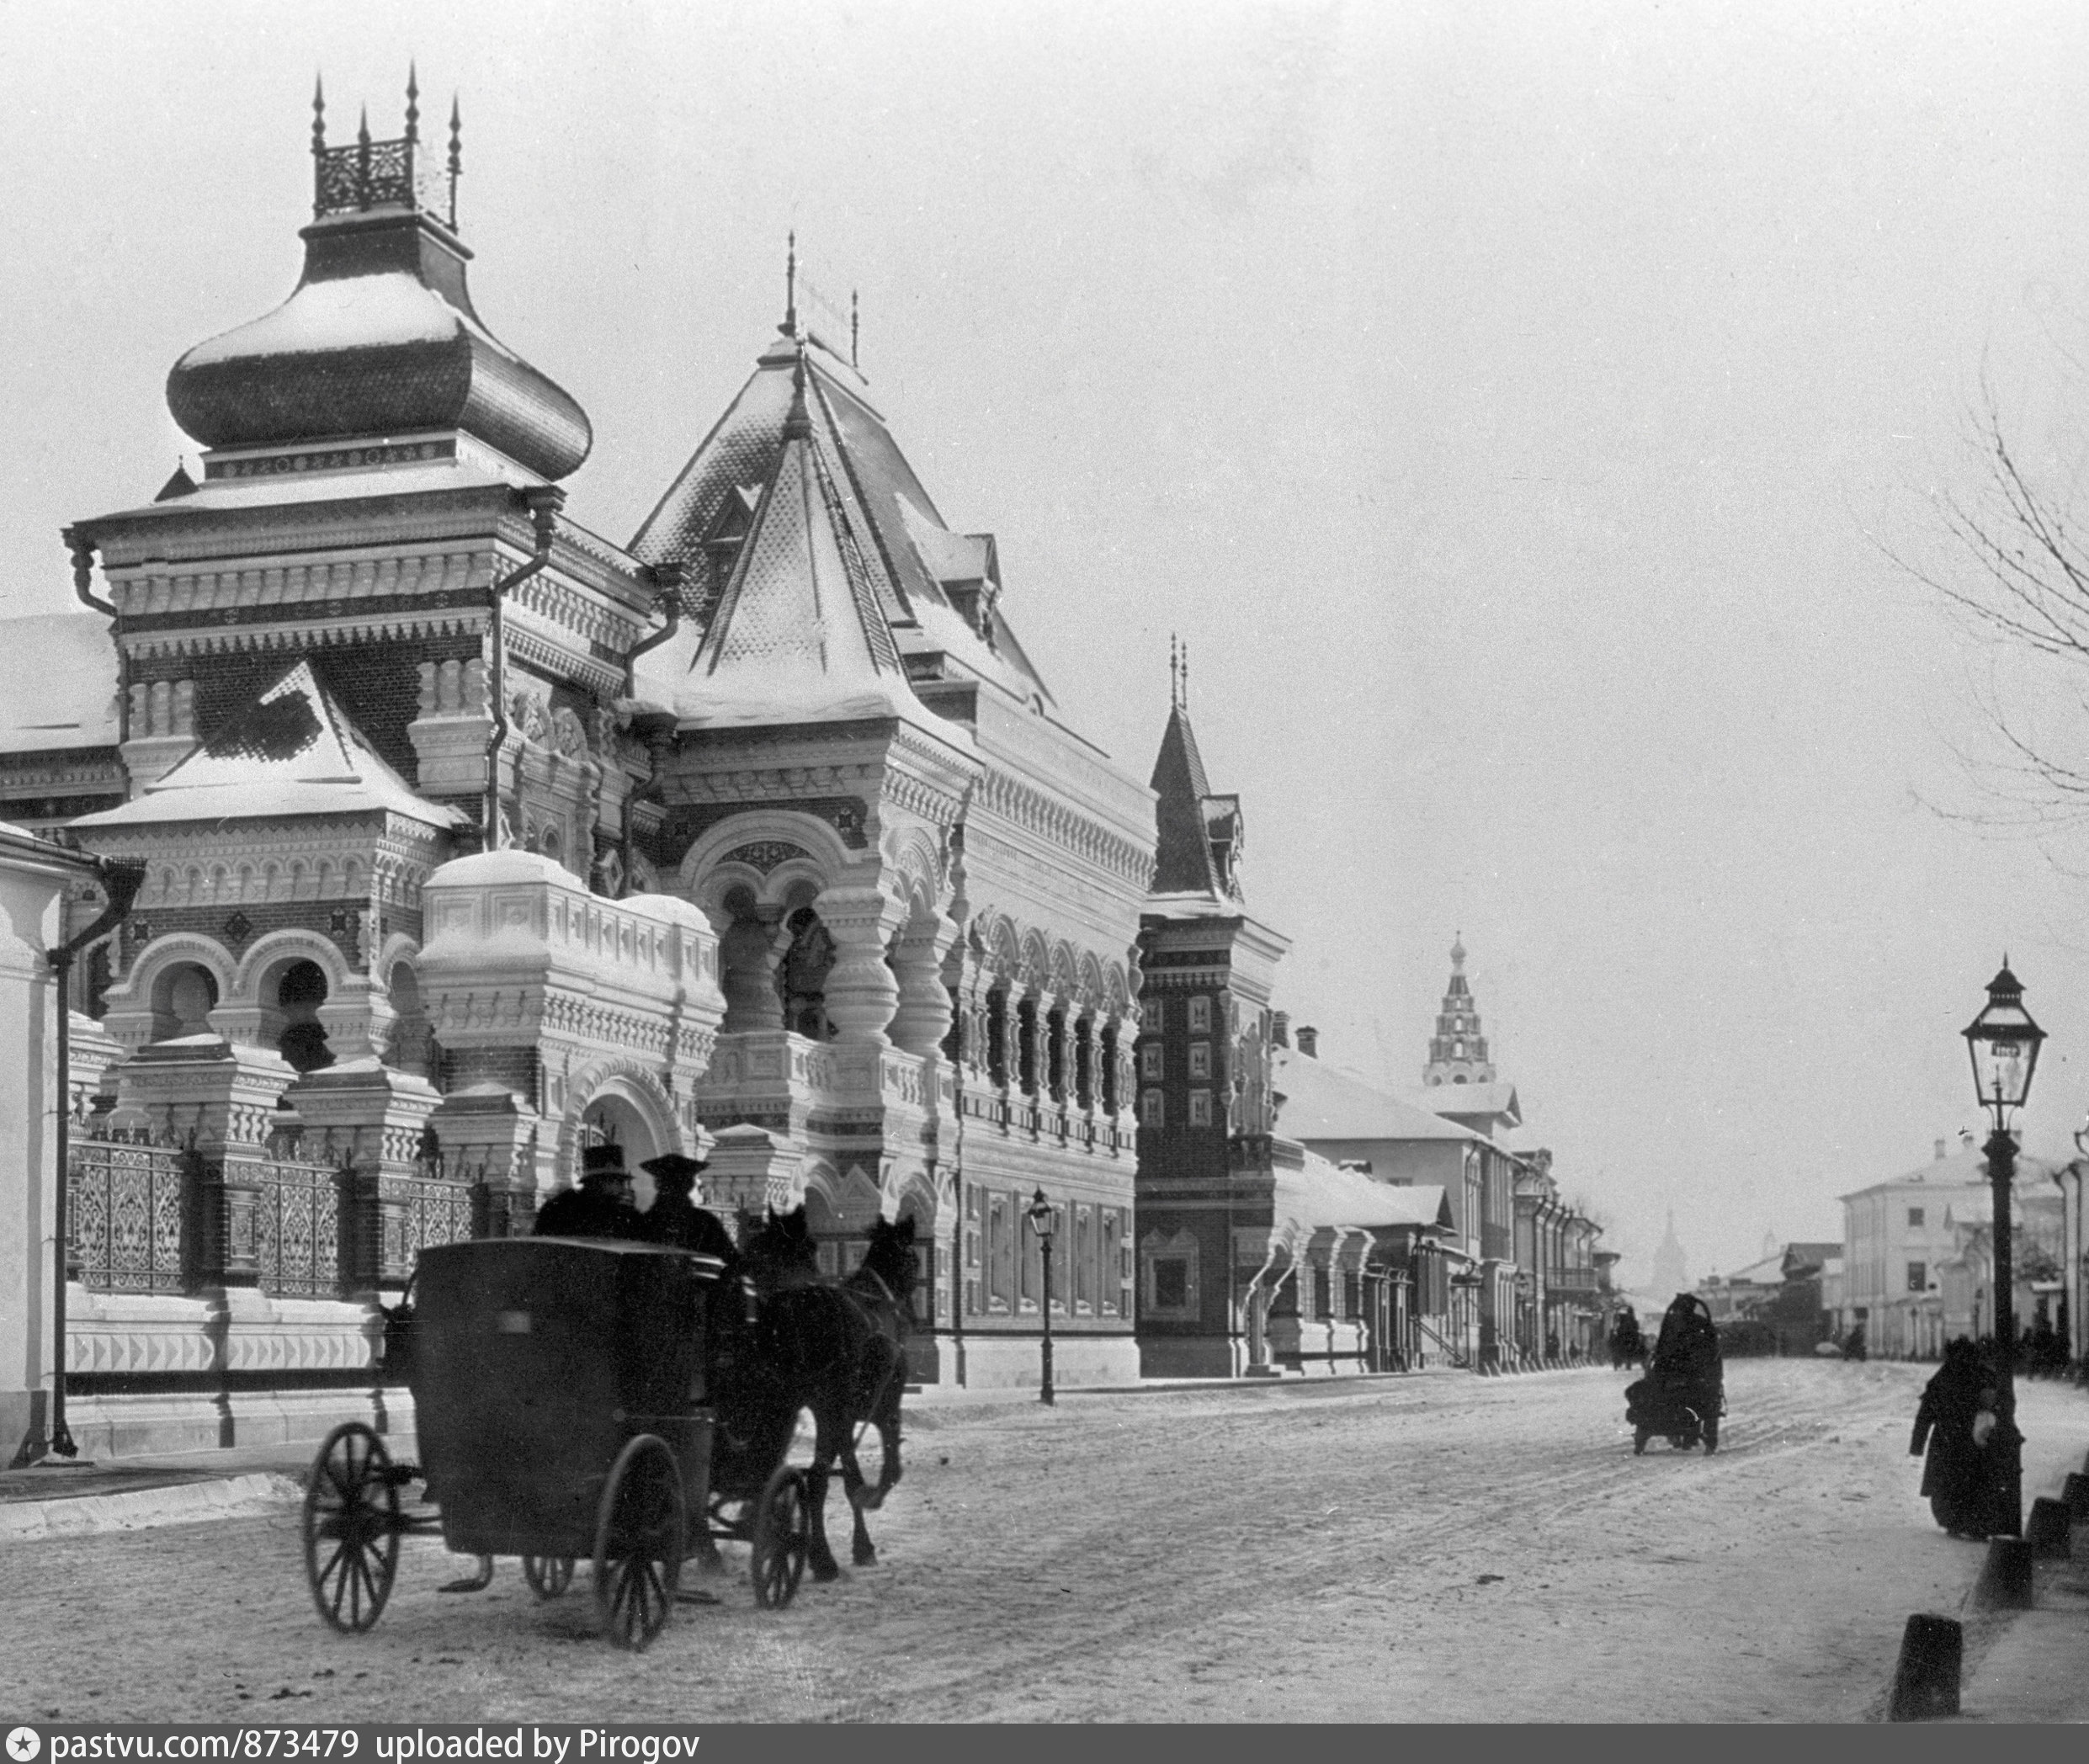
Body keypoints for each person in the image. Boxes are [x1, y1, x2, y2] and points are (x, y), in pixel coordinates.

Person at [1909, 1336, 1989, 1537]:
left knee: (1945, 1484)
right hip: (1973, 1439)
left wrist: (1917, 1445)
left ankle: (1953, 1522)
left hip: (1946, 1439)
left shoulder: (1943, 1377)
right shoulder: (1981, 1376)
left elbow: (1925, 1414)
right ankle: (1973, 1523)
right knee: (1973, 1482)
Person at [635, 1152, 740, 1264]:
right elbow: (732, 1261)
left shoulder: (644, 1222)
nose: (674, 1188)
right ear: (690, 1185)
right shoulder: (705, 1222)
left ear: (657, 1184)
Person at [532, 1143, 642, 1239]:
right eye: (618, 1182)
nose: (622, 1189)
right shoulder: (561, 1209)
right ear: (602, 1181)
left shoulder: (557, 1205)